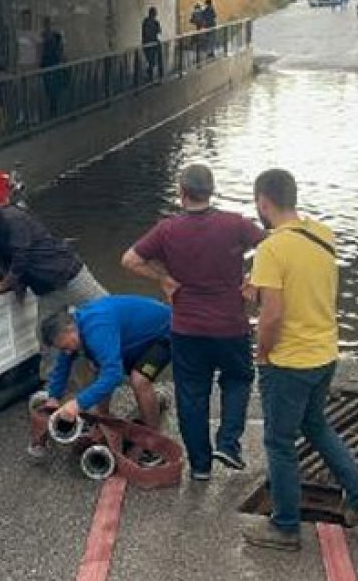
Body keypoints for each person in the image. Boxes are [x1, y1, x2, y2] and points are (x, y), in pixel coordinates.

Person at [241, 169, 358, 552]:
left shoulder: (271, 249)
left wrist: (263, 353)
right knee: (316, 426)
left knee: (280, 443)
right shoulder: (322, 234)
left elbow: (271, 316)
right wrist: (259, 289)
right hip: (324, 352)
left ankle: (285, 526)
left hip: (289, 361)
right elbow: (303, 285)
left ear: (263, 202)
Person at [122, 164, 263, 480]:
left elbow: (129, 260)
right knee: (238, 379)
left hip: (187, 329)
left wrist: (165, 278)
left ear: (181, 192)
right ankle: (227, 442)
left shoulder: (167, 229)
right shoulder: (235, 224)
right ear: (211, 190)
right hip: (230, 326)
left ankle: (200, 466)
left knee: (191, 393)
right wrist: (254, 279)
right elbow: (273, 246)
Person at [0, 183, 107, 334]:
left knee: (107, 313)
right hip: (47, 289)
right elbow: (10, 262)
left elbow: (21, 257)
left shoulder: (12, 219)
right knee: (46, 336)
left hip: (68, 277)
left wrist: (3, 285)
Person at [42, 296, 171, 437]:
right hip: (136, 336)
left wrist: (78, 404)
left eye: (66, 346)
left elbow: (114, 375)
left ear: (70, 329)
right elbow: (63, 364)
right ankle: (102, 418)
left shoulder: (97, 329)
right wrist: (53, 396)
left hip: (166, 332)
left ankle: (154, 439)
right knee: (99, 366)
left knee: (139, 379)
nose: (67, 352)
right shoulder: (76, 327)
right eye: (62, 348)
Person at [141, 6, 164, 81]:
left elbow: (158, 31)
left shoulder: (147, 21)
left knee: (152, 61)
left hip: (149, 44)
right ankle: (154, 76)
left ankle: (152, 76)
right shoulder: (152, 22)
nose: (155, 15)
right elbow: (159, 31)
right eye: (155, 13)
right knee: (152, 61)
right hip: (150, 44)